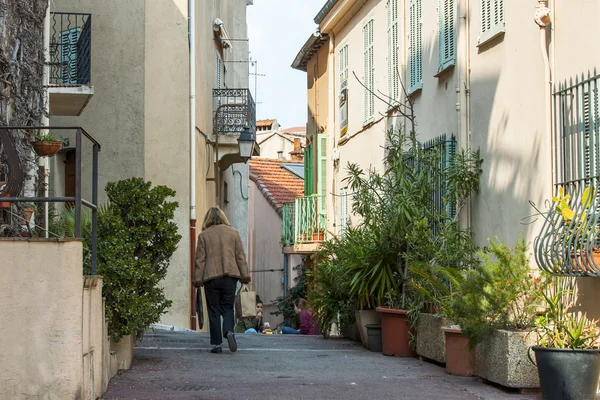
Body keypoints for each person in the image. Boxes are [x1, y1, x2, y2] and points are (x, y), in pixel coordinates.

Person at [193, 207, 251, 354]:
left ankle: (217, 344)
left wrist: (197, 280)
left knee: (213, 311)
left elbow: (200, 260)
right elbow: (240, 257)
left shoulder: (204, 235)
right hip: (230, 277)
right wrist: (244, 276)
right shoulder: (234, 233)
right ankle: (229, 331)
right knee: (227, 308)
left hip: (211, 278)